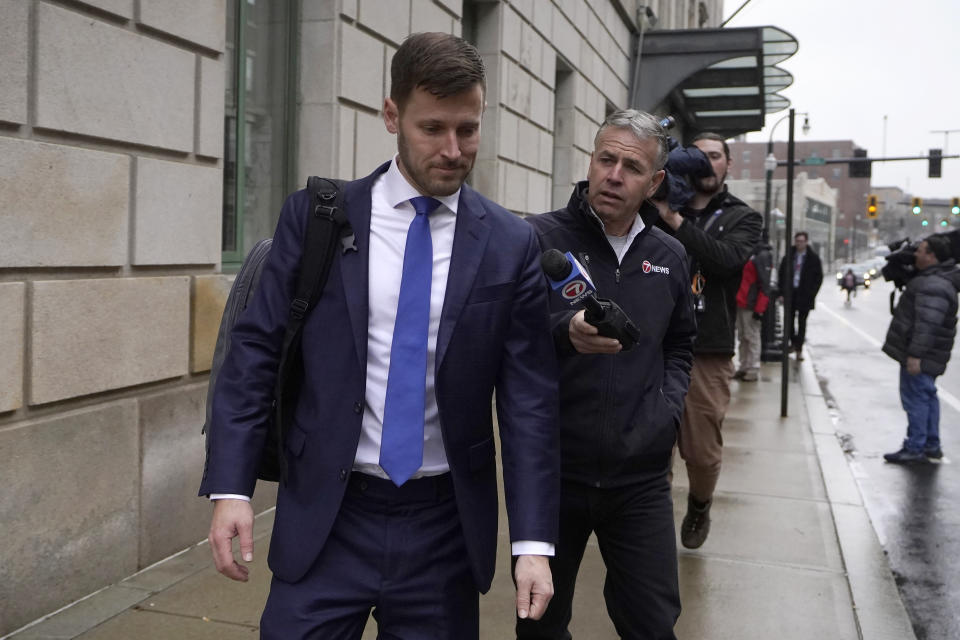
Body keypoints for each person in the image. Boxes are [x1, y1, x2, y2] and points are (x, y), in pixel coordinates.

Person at [199, 33, 561, 639]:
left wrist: (532, 543)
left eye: (467, 129)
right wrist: (231, 488)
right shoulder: (318, 219)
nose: (453, 149)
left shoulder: (509, 243)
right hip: (328, 515)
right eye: (433, 128)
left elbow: (529, 401)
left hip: (443, 527)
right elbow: (254, 351)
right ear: (391, 115)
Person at [516, 109, 696, 640]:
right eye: (606, 159)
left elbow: (681, 344)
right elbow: (505, 337)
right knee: (539, 626)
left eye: (632, 167)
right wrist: (560, 332)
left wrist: (667, 410)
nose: (614, 175)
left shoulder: (670, 255)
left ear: (655, 182)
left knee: (652, 624)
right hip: (552, 474)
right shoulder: (537, 238)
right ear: (592, 161)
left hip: (639, 478)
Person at [651, 132, 762, 549]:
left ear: (727, 164)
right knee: (651, 445)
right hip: (653, 345)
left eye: (714, 157)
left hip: (707, 347)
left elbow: (725, 260)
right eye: (698, 156)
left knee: (700, 452)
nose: (706, 164)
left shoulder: (742, 217)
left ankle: (700, 503)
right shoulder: (655, 205)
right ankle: (652, 522)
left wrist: (674, 221)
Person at [882, 235, 960, 463]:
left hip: (921, 354)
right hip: (928, 353)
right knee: (926, 396)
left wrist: (915, 355)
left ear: (932, 256)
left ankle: (915, 447)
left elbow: (926, 325)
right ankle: (930, 445)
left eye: (921, 250)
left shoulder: (934, 285)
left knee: (916, 398)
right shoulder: (934, 279)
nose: (916, 254)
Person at [777, 231, 823, 360]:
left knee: (802, 323)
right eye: (797, 241)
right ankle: (793, 342)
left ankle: (799, 349)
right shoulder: (789, 256)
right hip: (791, 293)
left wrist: (812, 293)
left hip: (805, 294)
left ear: (806, 242)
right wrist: (781, 292)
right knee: (789, 321)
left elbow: (818, 278)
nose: (799, 244)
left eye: (801, 241)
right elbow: (781, 274)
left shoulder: (813, 258)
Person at [733, 241, 773, 382]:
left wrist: (760, 308)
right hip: (744, 301)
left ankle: (752, 368)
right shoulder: (756, 254)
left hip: (749, 303)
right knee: (744, 336)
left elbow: (764, 285)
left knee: (751, 337)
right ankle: (745, 366)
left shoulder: (759, 256)